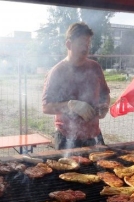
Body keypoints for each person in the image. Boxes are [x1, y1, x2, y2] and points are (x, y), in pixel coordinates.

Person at [42, 22, 110, 150]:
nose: (86, 48)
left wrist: (104, 106)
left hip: (94, 136)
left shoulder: (95, 68)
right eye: (81, 44)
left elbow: (105, 94)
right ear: (69, 44)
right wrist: (70, 105)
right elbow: (46, 107)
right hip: (66, 138)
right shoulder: (57, 71)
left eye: (88, 44)